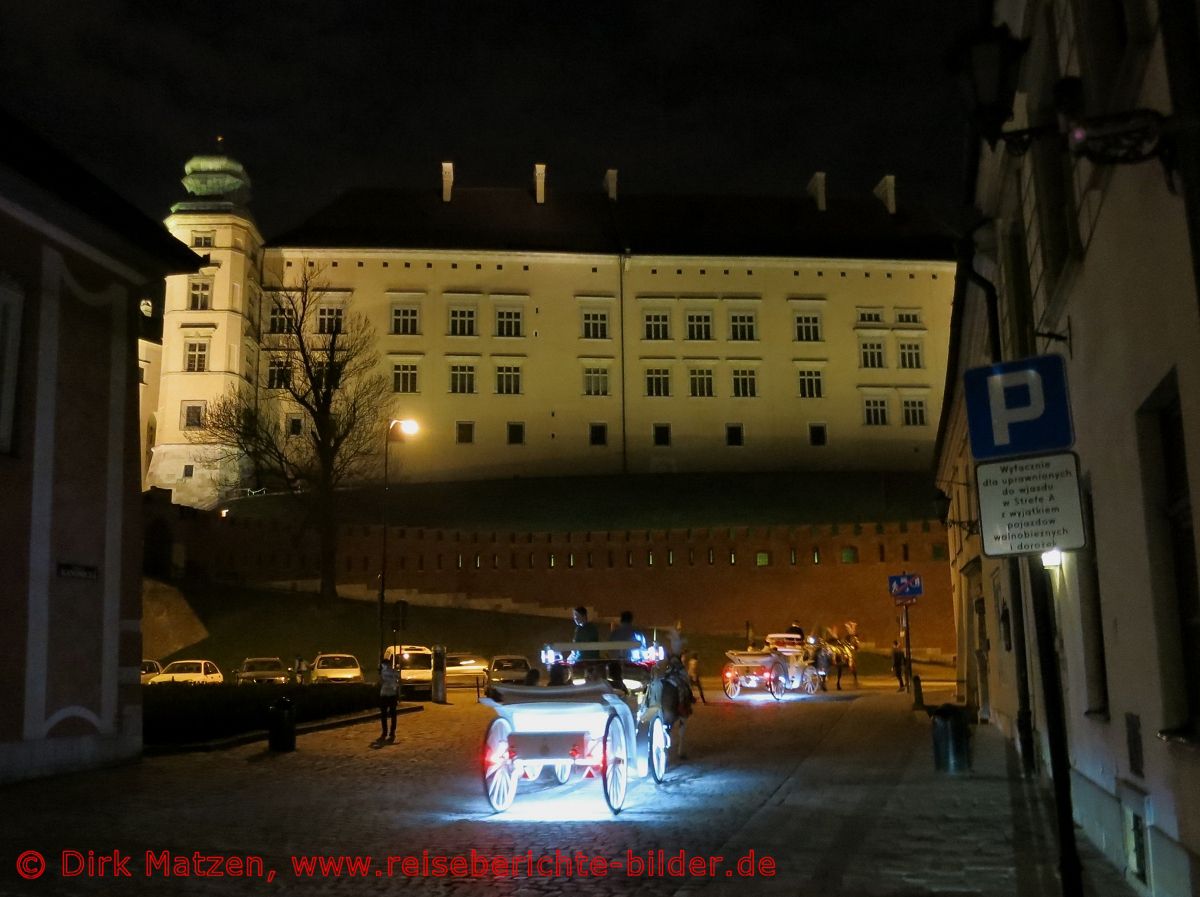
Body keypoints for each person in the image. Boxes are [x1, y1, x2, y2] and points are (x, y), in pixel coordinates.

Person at [378, 655, 399, 743]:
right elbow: (398, 681)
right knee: (392, 714)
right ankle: (391, 732)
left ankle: (385, 732)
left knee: (384, 715)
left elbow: (380, 682)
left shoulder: (382, 673)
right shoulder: (394, 672)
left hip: (385, 695)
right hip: (391, 695)